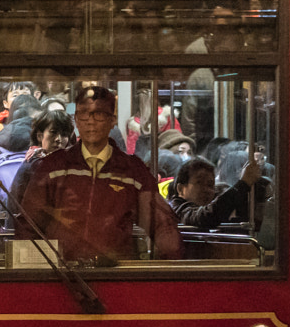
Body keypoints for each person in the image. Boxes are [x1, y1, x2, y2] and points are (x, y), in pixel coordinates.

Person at [17, 85, 179, 262]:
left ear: (112, 121)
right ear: (77, 121)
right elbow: (28, 226)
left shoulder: (132, 171)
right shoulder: (53, 167)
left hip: (117, 278)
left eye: (99, 114)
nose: (91, 121)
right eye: (84, 114)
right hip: (64, 277)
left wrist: (168, 271)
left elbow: (163, 226)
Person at [169, 154, 265, 231]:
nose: (206, 189)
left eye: (210, 185)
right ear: (181, 189)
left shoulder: (215, 200)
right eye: (199, 183)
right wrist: (243, 183)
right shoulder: (177, 210)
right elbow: (206, 217)